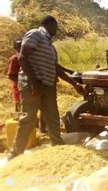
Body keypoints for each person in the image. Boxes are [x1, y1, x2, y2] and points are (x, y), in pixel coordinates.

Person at [8, 15, 84, 160]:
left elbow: (56, 68)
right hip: (33, 85)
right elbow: (22, 57)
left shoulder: (50, 46)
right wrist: (34, 83)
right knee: (28, 119)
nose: (57, 29)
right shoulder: (35, 34)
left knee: (52, 117)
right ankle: (16, 155)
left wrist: (75, 84)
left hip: (48, 86)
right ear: (50, 24)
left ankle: (57, 146)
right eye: (56, 26)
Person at [7, 40, 21, 112]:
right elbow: (11, 75)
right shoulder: (14, 59)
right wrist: (20, 82)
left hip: (26, 88)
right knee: (19, 108)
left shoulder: (26, 57)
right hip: (18, 87)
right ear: (15, 48)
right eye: (18, 46)